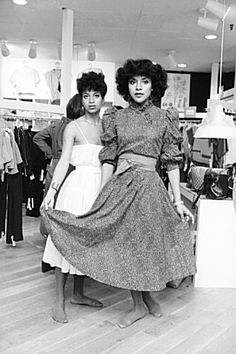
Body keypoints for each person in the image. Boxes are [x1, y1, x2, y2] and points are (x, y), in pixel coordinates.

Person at [42, 59, 196, 328]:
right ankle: (137, 304)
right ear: (126, 86)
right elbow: (109, 159)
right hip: (123, 186)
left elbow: (171, 162)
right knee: (128, 245)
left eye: (145, 82)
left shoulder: (165, 118)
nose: (139, 87)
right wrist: (102, 193)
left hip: (150, 188)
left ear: (153, 86)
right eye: (133, 81)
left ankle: (147, 297)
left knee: (149, 244)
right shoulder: (116, 117)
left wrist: (177, 199)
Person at [42, 71, 108, 323]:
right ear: (81, 98)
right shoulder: (73, 126)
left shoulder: (107, 128)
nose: (91, 100)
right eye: (86, 95)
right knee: (64, 242)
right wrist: (52, 191)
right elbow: (62, 162)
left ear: (103, 97)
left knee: (85, 243)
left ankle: (78, 294)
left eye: (96, 95)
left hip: (98, 189)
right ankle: (58, 300)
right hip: (75, 187)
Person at [33, 93, 83, 237]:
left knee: (48, 200)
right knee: (64, 201)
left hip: (54, 165)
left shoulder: (56, 125)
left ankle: (45, 232)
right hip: (69, 166)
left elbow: (37, 137)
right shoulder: (77, 127)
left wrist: (50, 153)